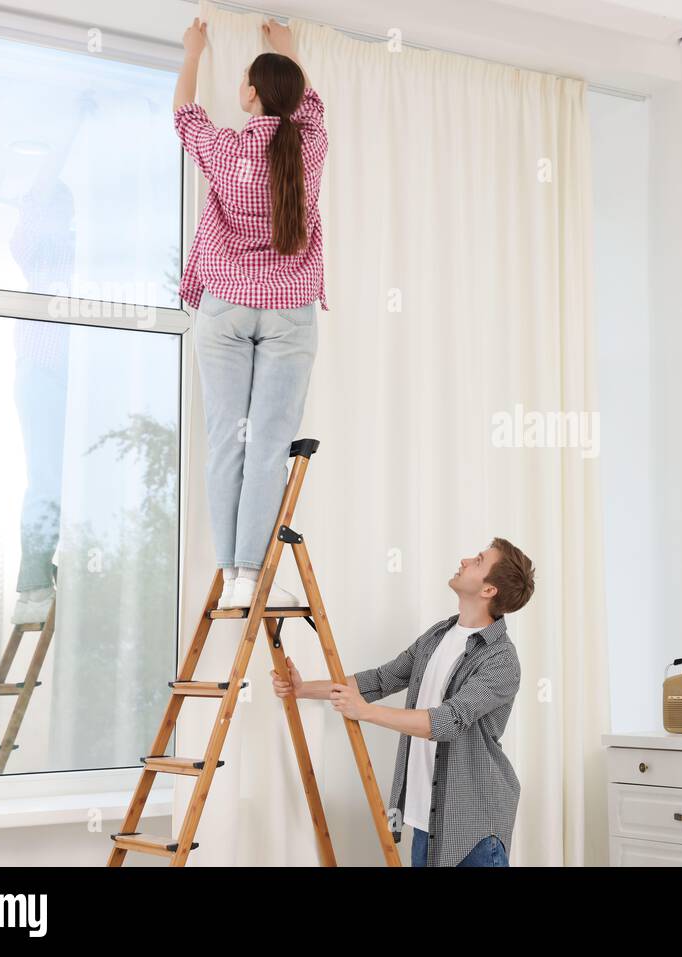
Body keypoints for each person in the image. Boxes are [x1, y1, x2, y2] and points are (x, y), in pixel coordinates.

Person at [172, 17, 327, 609]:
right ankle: (250, 573)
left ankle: (231, 570)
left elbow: (185, 113)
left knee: (227, 442)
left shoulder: (228, 148)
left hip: (226, 306)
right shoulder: (309, 146)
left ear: (251, 95)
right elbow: (309, 106)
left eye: (245, 80)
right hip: (290, 308)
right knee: (268, 446)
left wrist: (193, 53)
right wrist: (288, 50)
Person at [271, 539, 537, 867]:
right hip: (426, 820)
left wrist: (365, 713)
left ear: (488, 591)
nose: (465, 559)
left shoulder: (500, 660)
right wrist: (301, 689)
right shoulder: (439, 635)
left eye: (479, 560)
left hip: (473, 829)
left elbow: (448, 721)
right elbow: (380, 680)